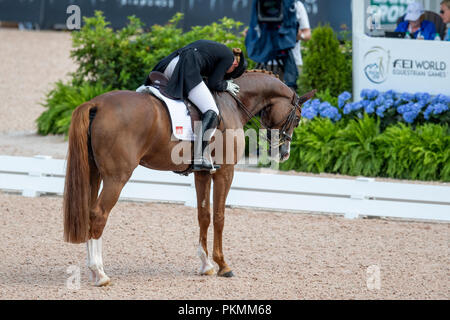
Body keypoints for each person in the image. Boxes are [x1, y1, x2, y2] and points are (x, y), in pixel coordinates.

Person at [144, 40, 247, 171]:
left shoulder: (216, 50)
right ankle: (199, 156)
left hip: (169, 64)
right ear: (235, 64)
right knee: (212, 110)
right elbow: (214, 83)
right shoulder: (228, 57)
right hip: (186, 67)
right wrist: (226, 85)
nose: (227, 73)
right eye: (230, 71)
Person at [245, 0, 302, 91]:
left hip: (288, 59)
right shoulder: (260, 3)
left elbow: (307, 34)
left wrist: (295, 34)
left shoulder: (295, 5)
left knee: (288, 93)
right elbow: (255, 25)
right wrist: (252, 35)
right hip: (265, 58)